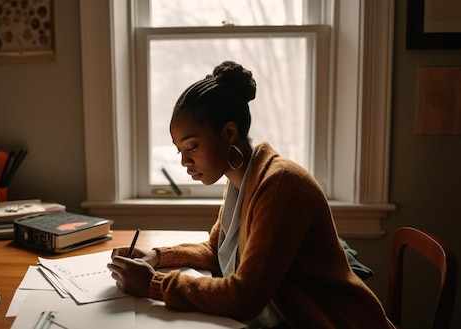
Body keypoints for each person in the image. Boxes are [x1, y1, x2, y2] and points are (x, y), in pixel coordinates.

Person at [107, 61, 392, 328]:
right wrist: (156, 256)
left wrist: (153, 285)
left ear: (230, 133)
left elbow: (244, 297)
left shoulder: (280, 185)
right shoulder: (241, 178)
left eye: (192, 147)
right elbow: (214, 251)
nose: (184, 162)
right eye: (179, 150)